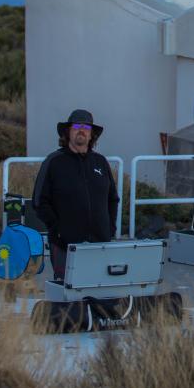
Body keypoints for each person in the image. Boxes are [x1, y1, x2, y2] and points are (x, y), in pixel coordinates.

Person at [32, 109, 119, 281]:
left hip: (99, 243)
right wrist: (57, 230)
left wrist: (110, 229)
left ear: (92, 134)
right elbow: (39, 201)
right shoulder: (54, 162)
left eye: (86, 127)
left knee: (98, 289)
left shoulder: (100, 162)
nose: (81, 130)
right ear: (67, 131)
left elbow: (112, 199)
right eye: (77, 126)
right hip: (65, 245)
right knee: (68, 296)